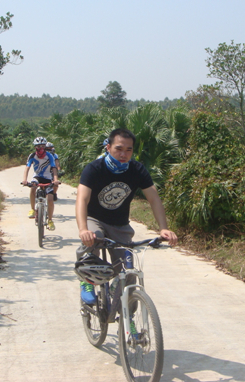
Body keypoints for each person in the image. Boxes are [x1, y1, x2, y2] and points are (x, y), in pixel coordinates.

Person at [75, 128, 178, 304]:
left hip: (120, 224)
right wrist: (83, 229)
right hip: (95, 219)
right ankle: (86, 281)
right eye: (119, 148)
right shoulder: (94, 168)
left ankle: (126, 312)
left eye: (128, 150)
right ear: (108, 147)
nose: (123, 154)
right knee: (93, 238)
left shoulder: (137, 170)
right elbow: (82, 199)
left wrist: (163, 228)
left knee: (128, 272)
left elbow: (154, 199)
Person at [22, 137, 59, 231]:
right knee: (33, 188)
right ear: (35, 147)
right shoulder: (32, 156)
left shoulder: (49, 156)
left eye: (42, 146)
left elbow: (54, 168)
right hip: (37, 176)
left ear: (45, 146)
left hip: (48, 178)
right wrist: (25, 180)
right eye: (38, 146)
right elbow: (27, 168)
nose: (40, 148)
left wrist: (55, 180)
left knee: (50, 199)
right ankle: (32, 209)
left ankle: (50, 220)